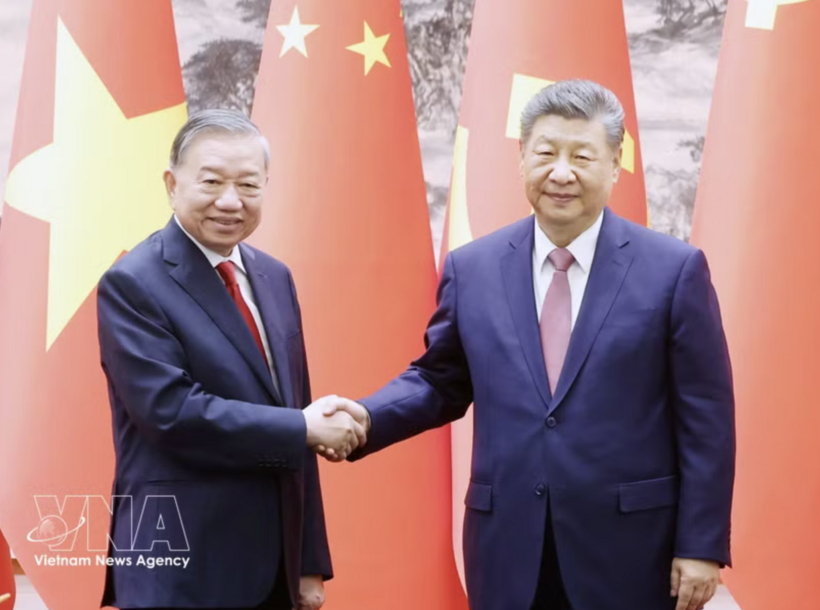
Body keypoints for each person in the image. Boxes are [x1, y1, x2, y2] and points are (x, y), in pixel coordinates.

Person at [325, 80, 735, 610]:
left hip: (633, 550)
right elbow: (439, 380)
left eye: (582, 156)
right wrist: (365, 416)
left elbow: (707, 417)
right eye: (545, 153)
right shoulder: (473, 269)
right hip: (508, 549)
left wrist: (700, 545)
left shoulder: (673, 271)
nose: (560, 172)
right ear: (522, 159)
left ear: (614, 164)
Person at [97, 110, 366, 610]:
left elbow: (295, 408)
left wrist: (308, 561)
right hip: (179, 567)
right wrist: (303, 427)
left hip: (273, 570)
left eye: (248, 184)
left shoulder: (274, 277)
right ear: (172, 184)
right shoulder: (134, 282)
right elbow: (171, 414)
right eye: (212, 182)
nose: (230, 200)